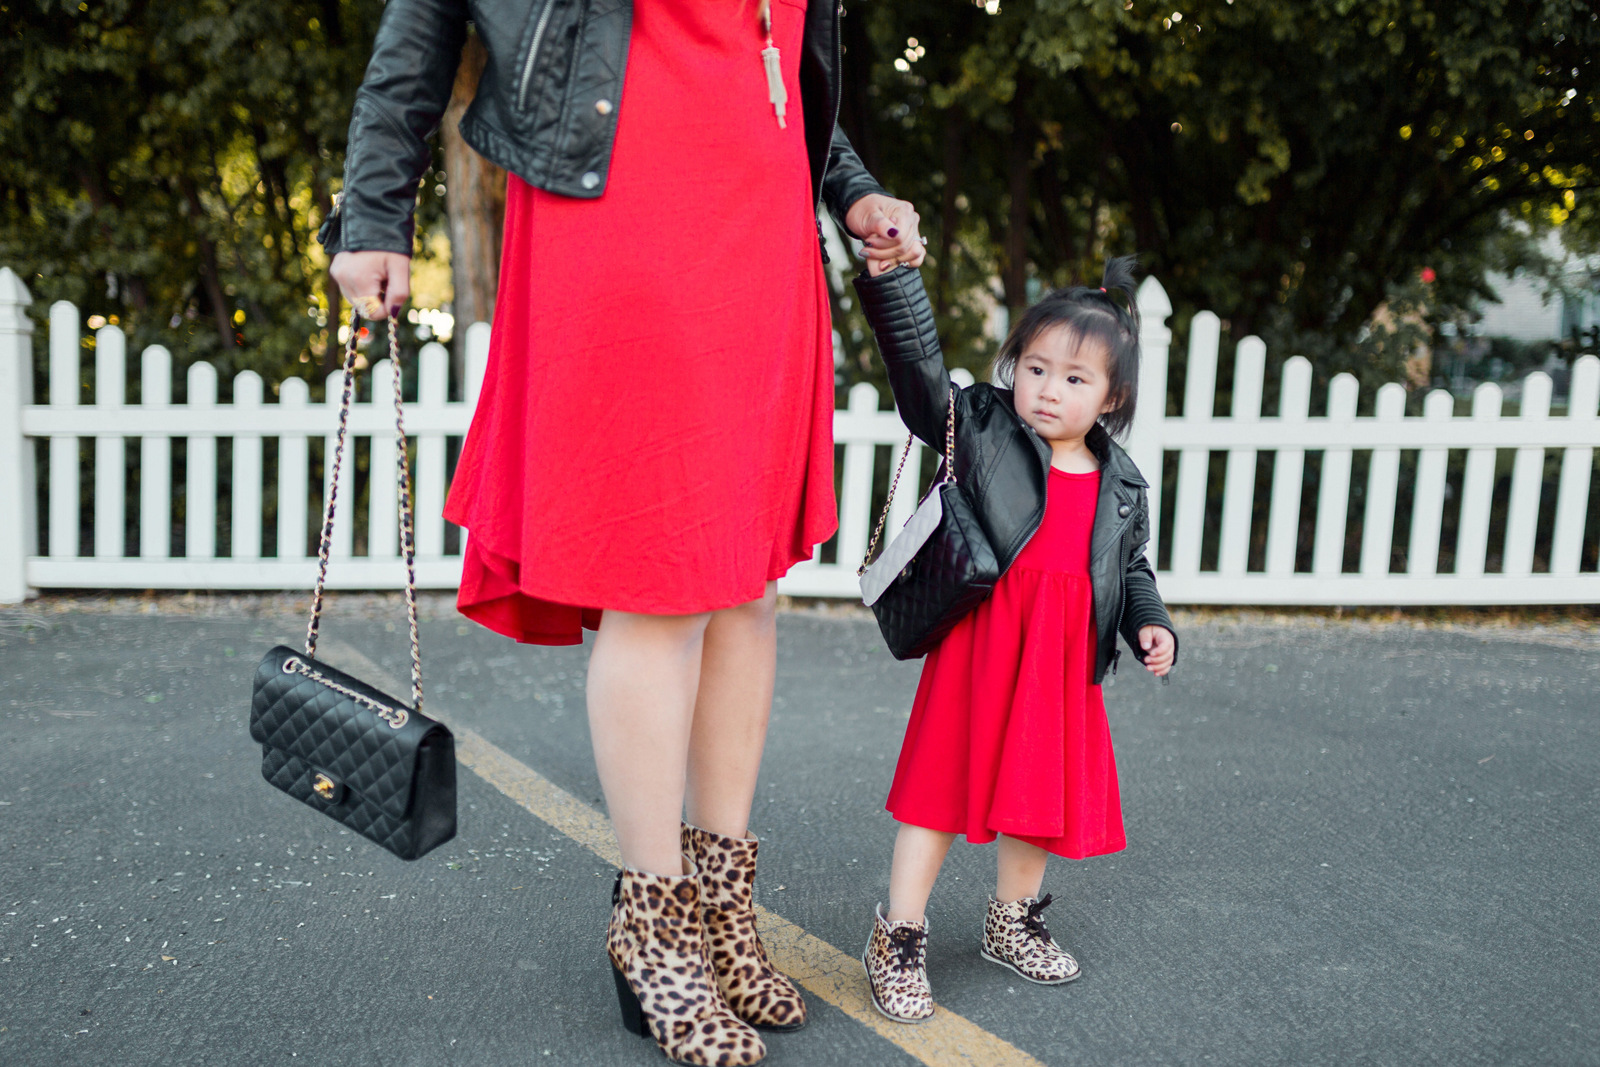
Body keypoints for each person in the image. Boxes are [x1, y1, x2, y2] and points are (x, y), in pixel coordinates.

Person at [322, 2, 925, 1063]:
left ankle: (717, 900)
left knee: (745, 588)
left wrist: (850, 186)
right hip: (624, 213)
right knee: (661, 578)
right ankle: (649, 923)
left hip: (765, 235)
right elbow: (424, 19)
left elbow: (780, 55)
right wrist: (374, 210)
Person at [848, 256, 1177, 1023]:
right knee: (938, 787)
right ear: (1012, 368)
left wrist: (1151, 621)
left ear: (1111, 396)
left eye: (1074, 379)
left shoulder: (1121, 482)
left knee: (1036, 796)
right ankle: (898, 932)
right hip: (981, 645)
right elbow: (922, 381)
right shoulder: (983, 426)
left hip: (1060, 662)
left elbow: (1130, 569)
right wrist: (895, 285)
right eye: (1035, 367)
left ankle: (1012, 916)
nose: (1048, 389)